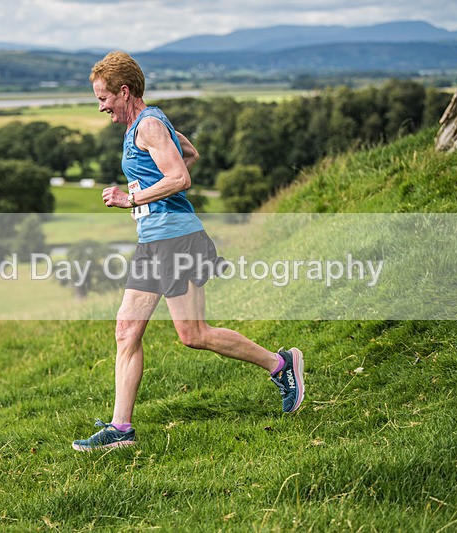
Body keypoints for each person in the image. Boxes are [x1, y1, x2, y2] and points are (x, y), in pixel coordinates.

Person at [72, 51, 304, 452]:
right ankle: (121, 429)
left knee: (193, 334)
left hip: (177, 240)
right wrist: (144, 197)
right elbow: (188, 154)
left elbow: (181, 175)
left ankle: (281, 365)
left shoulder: (147, 126)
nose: (101, 106)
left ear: (124, 92)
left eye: (104, 98)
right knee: (126, 330)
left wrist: (134, 199)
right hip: (155, 241)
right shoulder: (147, 123)